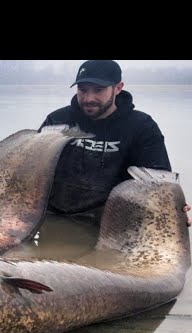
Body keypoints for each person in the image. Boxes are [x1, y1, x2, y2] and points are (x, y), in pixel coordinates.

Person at [39, 59, 190, 225]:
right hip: (53, 216)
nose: (89, 98)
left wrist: (170, 209)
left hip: (112, 222)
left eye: (98, 90)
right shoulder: (57, 120)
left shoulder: (142, 126)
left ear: (118, 88)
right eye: (82, 90)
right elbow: (34, 169)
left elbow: (157, 181)